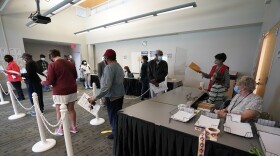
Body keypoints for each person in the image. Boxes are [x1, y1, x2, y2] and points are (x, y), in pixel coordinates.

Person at [88, 49, 125, 140]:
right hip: (119, 95)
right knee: (117, 116)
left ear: (107, 58)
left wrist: (95, 98)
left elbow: (106, 86)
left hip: (112, 97)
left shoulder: (109, 68)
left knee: (113, 117)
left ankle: (116, 135)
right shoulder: (119, 66)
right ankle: (118, 132)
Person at [41, 49, 78, 135]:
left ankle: (61, 129)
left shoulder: (52, 65)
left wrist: (43, 82)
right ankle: (74, 127)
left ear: (51, 56)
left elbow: (50, 81)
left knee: (59, 111)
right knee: (71, 109)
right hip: (72, 89)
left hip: (60, 91)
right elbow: (75, 76)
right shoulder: (70, 63)